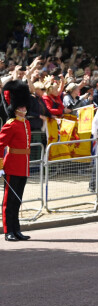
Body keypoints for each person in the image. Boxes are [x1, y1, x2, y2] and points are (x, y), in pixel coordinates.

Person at [0, 80, 32, 241]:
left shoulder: (26, 123)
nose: (23, 109)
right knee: (9, 201)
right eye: (20, 107)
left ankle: (16, 229)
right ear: (14, 108)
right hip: (12, 166)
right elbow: (0, 145)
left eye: (24, 106)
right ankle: (8, 231)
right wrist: (0, 166)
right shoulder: (10, 125)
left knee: (17, 200)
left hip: (23, 166)